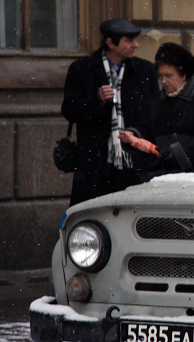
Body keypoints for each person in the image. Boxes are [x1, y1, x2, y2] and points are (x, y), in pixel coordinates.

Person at [61, 19, 157, 206]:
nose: (135, 44)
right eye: (129, 40)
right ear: (111, 43)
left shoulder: (144, 71)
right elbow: (69, 110)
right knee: (91, 220)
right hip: (94, 165)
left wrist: (136, 135)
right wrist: (96, 100)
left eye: (135, 39)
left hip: (134, 163)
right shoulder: (82, 70)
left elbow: (153, 116)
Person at [122, 43, 194, 176]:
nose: (163, 81)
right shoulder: (155, 101)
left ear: (183, 75)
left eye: (169, 76)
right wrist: (134, 135)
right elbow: (147, 128)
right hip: (160, 173)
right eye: (161, 76)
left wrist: (178, 154)